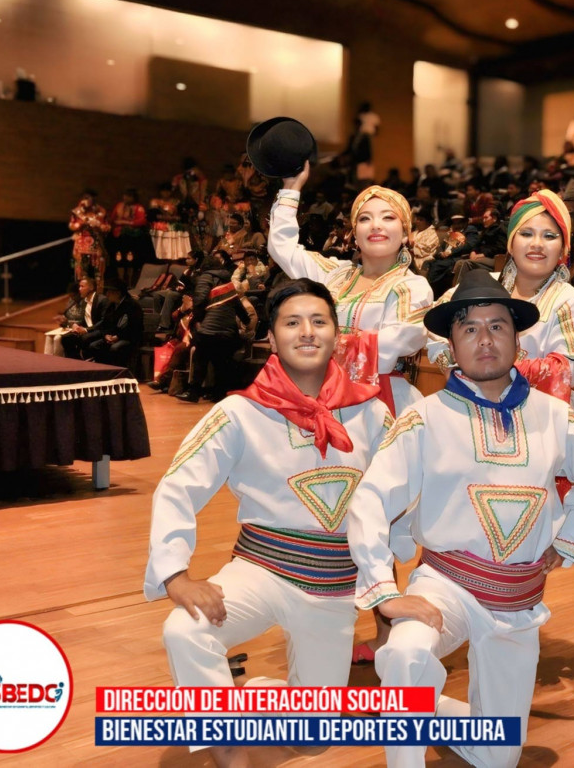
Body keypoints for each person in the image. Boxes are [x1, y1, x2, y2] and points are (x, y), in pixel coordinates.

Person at [346, 271, 574, 768]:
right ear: (451, 346)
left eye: (497, 326)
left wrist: (570, 537)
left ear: (518, 339)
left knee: (498, 757)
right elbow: (370, 499)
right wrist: (384, 592)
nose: (485, 339)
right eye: (469, 329)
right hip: (446, 584)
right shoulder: (424, 416)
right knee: (406, 653)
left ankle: (419, 712)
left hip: (518, 600)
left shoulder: (556, 415)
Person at [146, 279, 391, 768]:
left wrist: (391, 582)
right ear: (272, 338)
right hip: (262, 570)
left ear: (337, 334)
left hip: (335, 586)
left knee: (314, 739)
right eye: (292, 322)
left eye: (318, 321)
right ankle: (226, 745)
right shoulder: (239, 412)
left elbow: (400, 498)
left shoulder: (373, 412)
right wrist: (175, 574)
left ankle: (253, 694)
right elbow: (177, 486)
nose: (307, 332)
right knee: (186, 631)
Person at [268, 161, 435, 416]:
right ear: (354, 235)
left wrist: (316, 345)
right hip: (321, 393)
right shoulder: (334, 274)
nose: (376, 225)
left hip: (379, 401)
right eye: (365, 219)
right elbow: (282, 247)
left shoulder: (411, 286)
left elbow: (401, 339)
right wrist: (291, 188)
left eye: (388, 217)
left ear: (405, 234)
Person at [428, 190, 574, 415]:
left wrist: (484, 370)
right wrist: (453, 365)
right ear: (510, 243)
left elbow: (567, 371)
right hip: (472, 409)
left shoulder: (569, 301)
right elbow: (433, 324)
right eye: (526, 234)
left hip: (541, 417)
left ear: (563, 249)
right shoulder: (483, 285)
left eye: (549, 236)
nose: (537, 244)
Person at [177, 252, 251, 403]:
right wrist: (247, 320)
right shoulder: (227, 281)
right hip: (228, 331)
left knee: (200, 358)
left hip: (209, 329)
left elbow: (199, 301)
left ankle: (194, 392)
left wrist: (197, 320)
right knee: (220, 363)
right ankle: (219, 394)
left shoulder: (205, 277)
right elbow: (237, 304)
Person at [87, 279, 143, 368]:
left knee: (115, 348)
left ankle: (117, 371)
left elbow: (134, 328)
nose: (107, 294)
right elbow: (105, 324)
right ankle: (103, 370)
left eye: (110, 292)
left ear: (118, 293)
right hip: (112, 336)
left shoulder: (132, 306)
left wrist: (118, 337)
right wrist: (106, 335)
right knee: (94, 346)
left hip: (129, 338)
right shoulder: (111, 305)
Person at [59, 276, 108, 359]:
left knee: (85, 338)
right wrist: (76, 326)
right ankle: (76, 361)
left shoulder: (102, 300)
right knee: (66, 338)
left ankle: (87, 360)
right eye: (79, 286)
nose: (79, 289)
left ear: (91, 288)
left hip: (99, 330)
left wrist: (86, 330)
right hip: (87, 330)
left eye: (82, 286)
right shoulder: (84, 302)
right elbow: (84, 319)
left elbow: (104, 321)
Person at [109, 188, 149, 286]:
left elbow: (142, 221)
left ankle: (130, 281)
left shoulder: (138, 208)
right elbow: (112, 219)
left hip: (132, 237)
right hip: (119, 236)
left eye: (129, 196)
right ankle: (120, 279)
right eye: (125, 195)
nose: (126, 198)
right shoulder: (119, 206)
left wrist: (126, 222)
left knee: (131, 258)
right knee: (119, 257)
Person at [69, 190, 109, 282]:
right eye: (83, 198)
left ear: (93, 199)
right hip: (81, 242)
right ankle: (82, 285)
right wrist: (80, 224)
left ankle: (98, 286)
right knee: (81, 268)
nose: (85, 200)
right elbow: (72, 225)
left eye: (87, 198)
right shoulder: (77, 211)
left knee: (98, 269)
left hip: (95, 242)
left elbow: (107, 227)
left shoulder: (101, 211)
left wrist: (98, 225)